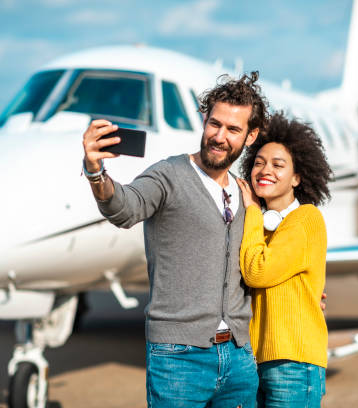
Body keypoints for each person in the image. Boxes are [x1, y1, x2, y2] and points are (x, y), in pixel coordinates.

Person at [82, 72, 269, 407]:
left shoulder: (246, 193)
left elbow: (259, 261)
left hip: (239, 357)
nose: (219, 136)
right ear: (204, 120)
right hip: (178, 359)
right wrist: (96, 171)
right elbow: (125, 208)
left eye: (233, 129)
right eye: (214, 124)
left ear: (250, 136)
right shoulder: (168, 175)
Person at [236, 112, 332, 408]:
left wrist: (251, 209)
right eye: (259, 162)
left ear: (297, 178)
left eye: (278, 165)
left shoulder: (306, 218)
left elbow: (257, 271)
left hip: (293, 362)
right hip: (257, 361)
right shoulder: (258, 226)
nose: (266, 170)